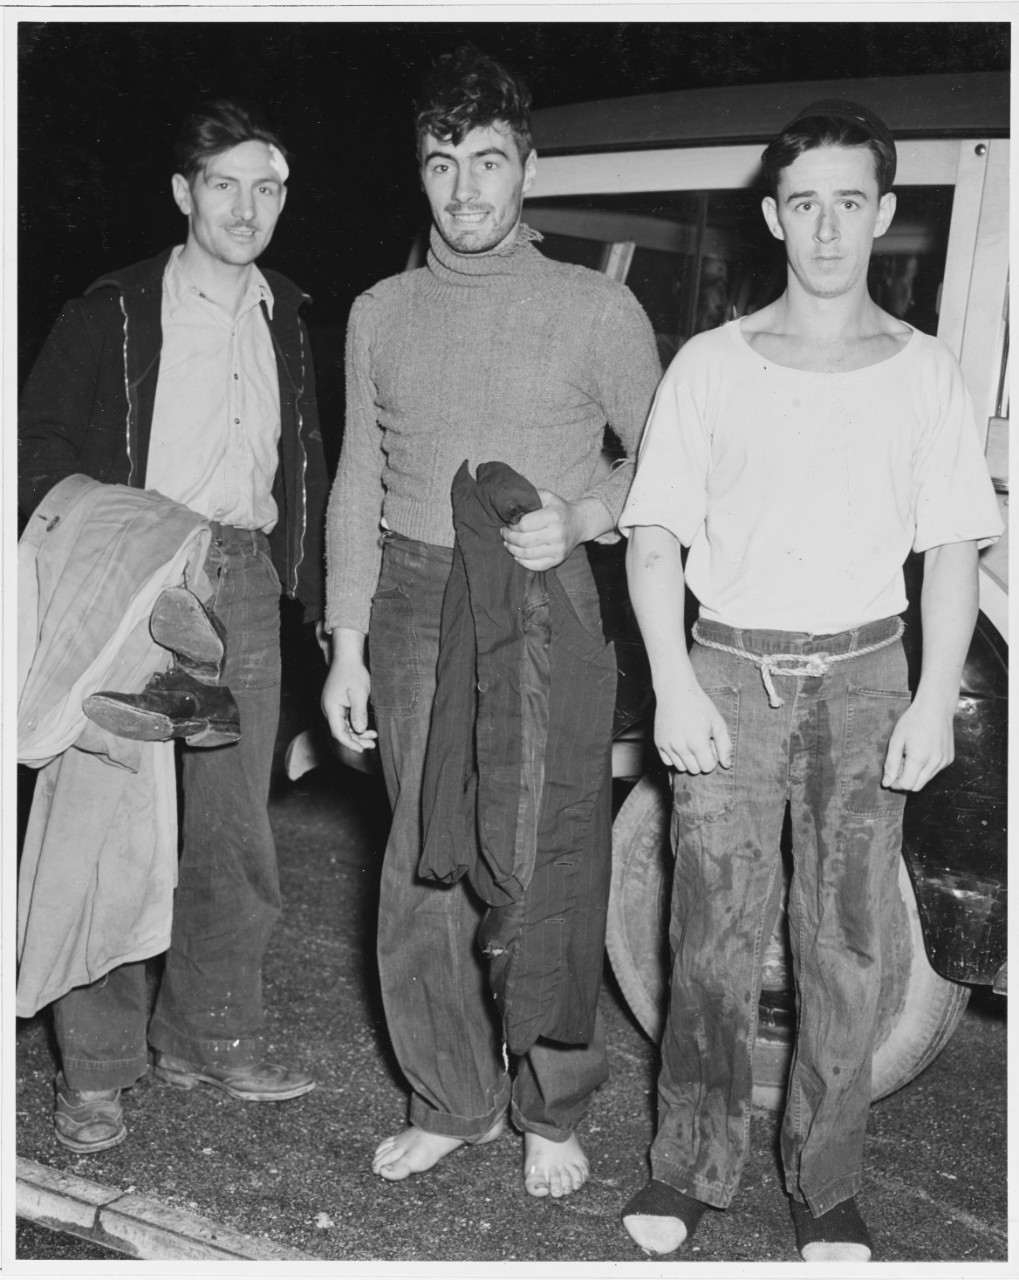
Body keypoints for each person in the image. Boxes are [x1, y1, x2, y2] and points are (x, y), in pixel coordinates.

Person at [617, 100, 1003, 1261]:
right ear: (772, 216)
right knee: (708, 936)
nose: (826, 227)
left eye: (849, 202)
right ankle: (688, 1167)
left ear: (882, 216)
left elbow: (949, 552)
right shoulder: (711, 364)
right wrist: (672, 682)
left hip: (865, 673)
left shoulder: (923, 371)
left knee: (844, 946)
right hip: (729, 670)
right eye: (803, 203)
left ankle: (824, 1184)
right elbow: (651, 540)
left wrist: (932, 697)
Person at [321, 47, 661, 1197]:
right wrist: (344, 643)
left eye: (486, 161)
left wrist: (583, 514)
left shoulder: (595, 307)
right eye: (439, 164)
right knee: (422, 856)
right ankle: (450, 1096)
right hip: (414, 594)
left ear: (528, 169)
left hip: (539, 595)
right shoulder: (379, 312)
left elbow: (664, 459)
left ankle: (550, 1103)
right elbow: (355, 475)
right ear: (417, 176)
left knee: (548, 856)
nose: (462, 189)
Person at [18, 98, 328, 1152]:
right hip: (140, 578)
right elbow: (36, 449)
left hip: (241, 582)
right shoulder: (112, 306)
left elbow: (303, 466)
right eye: (226, 184)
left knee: (230, 825)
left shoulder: (285, 310)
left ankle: (210, 1032)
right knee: (108, 821)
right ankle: (97, 1067)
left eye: (268, 186)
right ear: (183, 194)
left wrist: (310, 601)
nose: (247, 207)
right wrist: (114, 552)